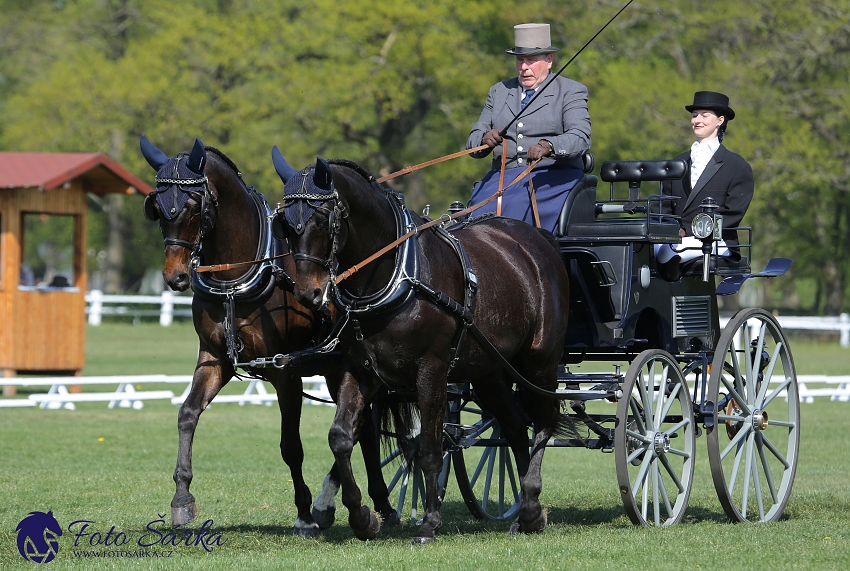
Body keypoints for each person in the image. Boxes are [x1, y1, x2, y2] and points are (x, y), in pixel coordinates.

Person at [466, 23, 591, 233]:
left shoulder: (571, 91)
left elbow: (581, 137)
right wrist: (484, 139)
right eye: (520, 60)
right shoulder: (499, 91)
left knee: (513, 211)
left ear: (548, 60)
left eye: (531, 61)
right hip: (502, 178)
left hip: (552, 177)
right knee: (473, 216)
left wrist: (549, 145)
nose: (524, 68)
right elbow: (474, 138)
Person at [656, 91, 754, 279]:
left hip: (715, 241)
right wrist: (672, 229)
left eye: (704, 115)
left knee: (668, 253)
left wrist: (693, 231)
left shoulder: (737, 166)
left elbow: (733, 214)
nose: (697, 120)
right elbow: (662, 206)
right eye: (694, 115)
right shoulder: (677, 163)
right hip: (675, 239)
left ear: (720, 120)